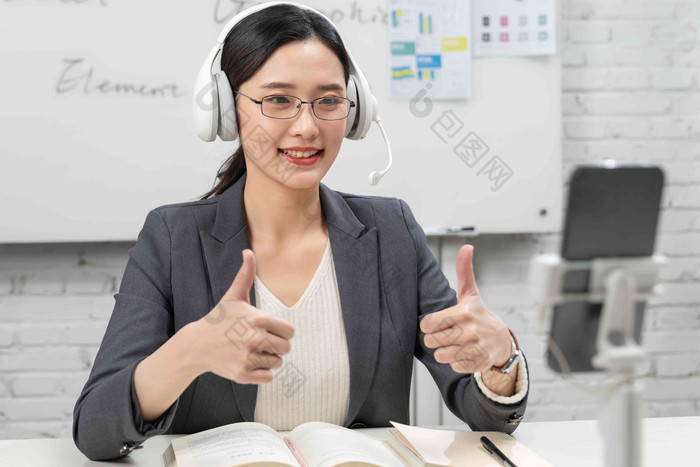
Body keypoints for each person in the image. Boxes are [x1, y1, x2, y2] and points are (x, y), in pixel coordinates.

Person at [72, 2, 529, 461]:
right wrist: (189, 351)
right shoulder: (173, 237)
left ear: (354, 113)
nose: (307, 127)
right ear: (226, 110)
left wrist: (500, 358)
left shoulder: (391, 231)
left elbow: (484, 412)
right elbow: (96, 430)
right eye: (278, 100)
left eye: (328, 100)